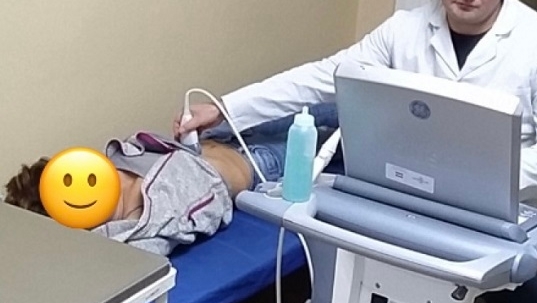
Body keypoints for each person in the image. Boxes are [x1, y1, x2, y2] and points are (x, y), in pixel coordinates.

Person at [177, 0, 537, 303]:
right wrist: (227, 108)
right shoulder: (404, 30)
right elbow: (324, 77)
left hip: (498, 214)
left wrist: (481, 181)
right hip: (407, 200)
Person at [3, 106, 339, 255]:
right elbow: (133, 262)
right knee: (340, 134)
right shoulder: (137, 227)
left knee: (323, 105)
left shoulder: (104, 171)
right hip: (253, 163)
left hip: (215, 135)